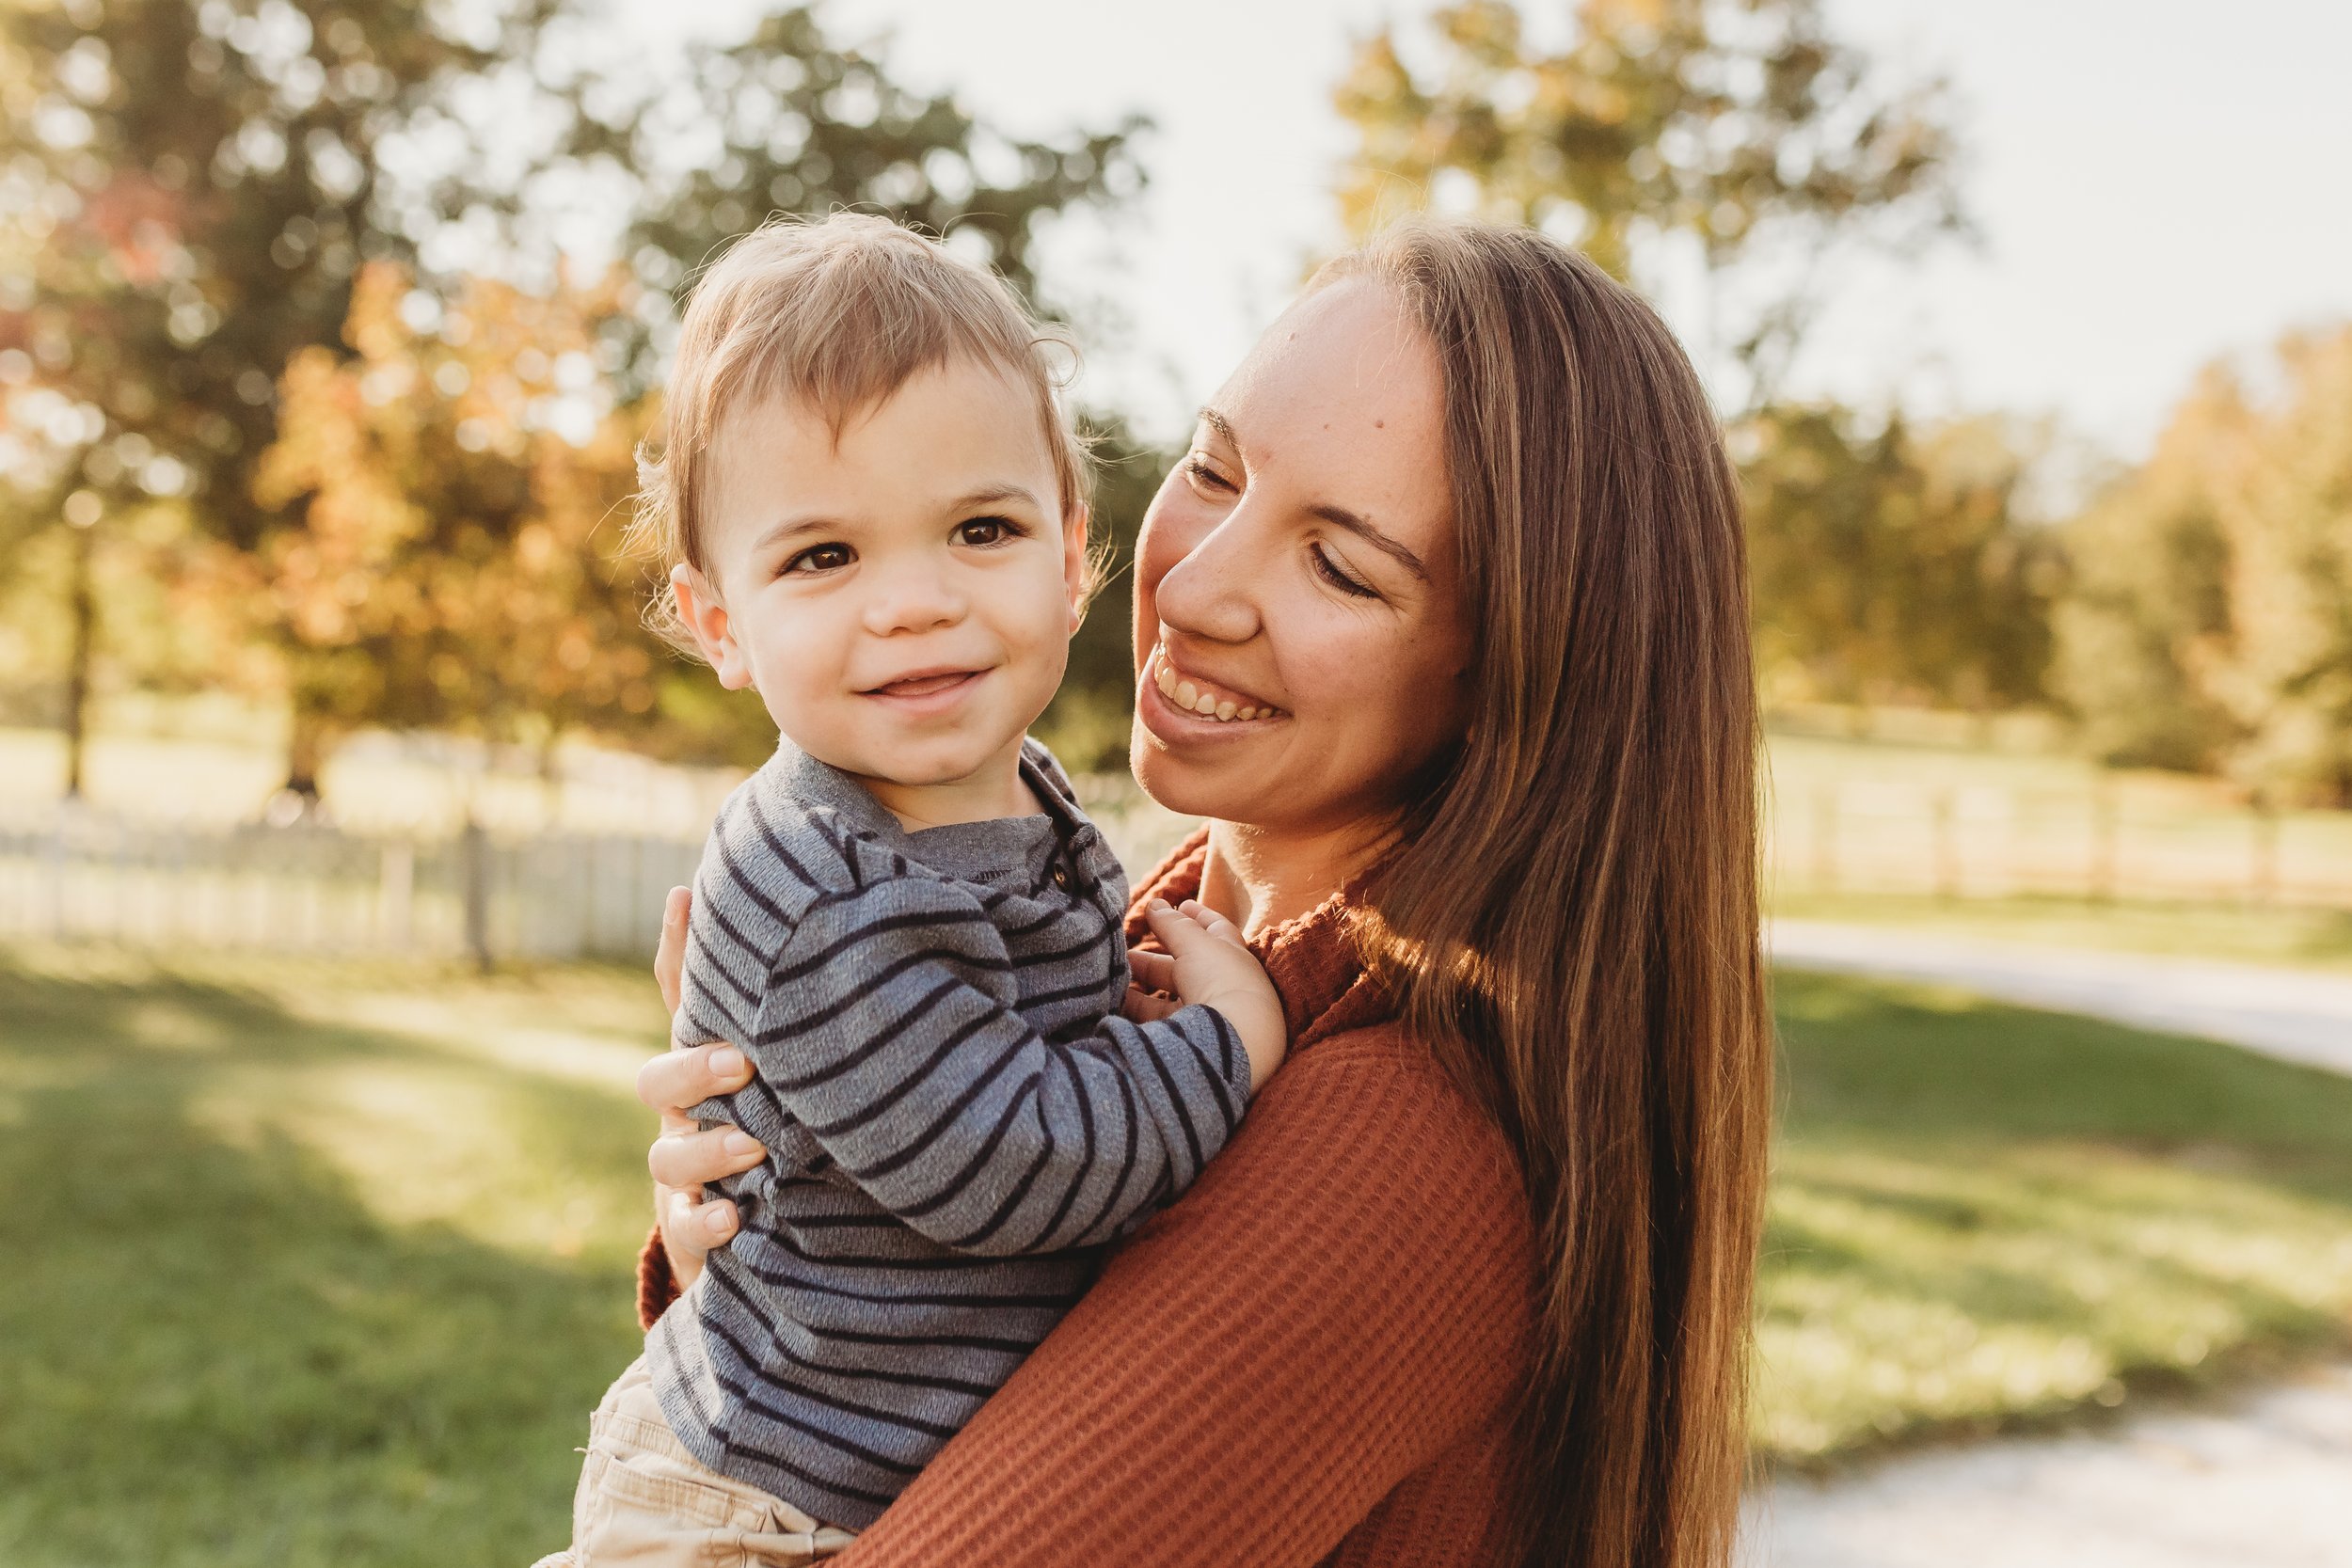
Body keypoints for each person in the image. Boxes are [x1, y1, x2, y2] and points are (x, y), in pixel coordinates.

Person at [635, 217, 1775, 1568]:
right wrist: (754, 1225)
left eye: (1340, 562)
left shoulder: (1393, 1149)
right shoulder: (1116, 936)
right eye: (1212, 468)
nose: (1195, 580)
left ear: (1517, 676)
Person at [539, 214, 1286, 1567]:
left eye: (978, 529)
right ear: (721, 624)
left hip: (866, 1472)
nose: (913, 602)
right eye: (824, 556)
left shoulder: (1020, 792)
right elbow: (1015, 1165)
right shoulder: (829, 881)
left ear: (1069, 562)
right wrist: (1225, 1045)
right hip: (754, 1507)